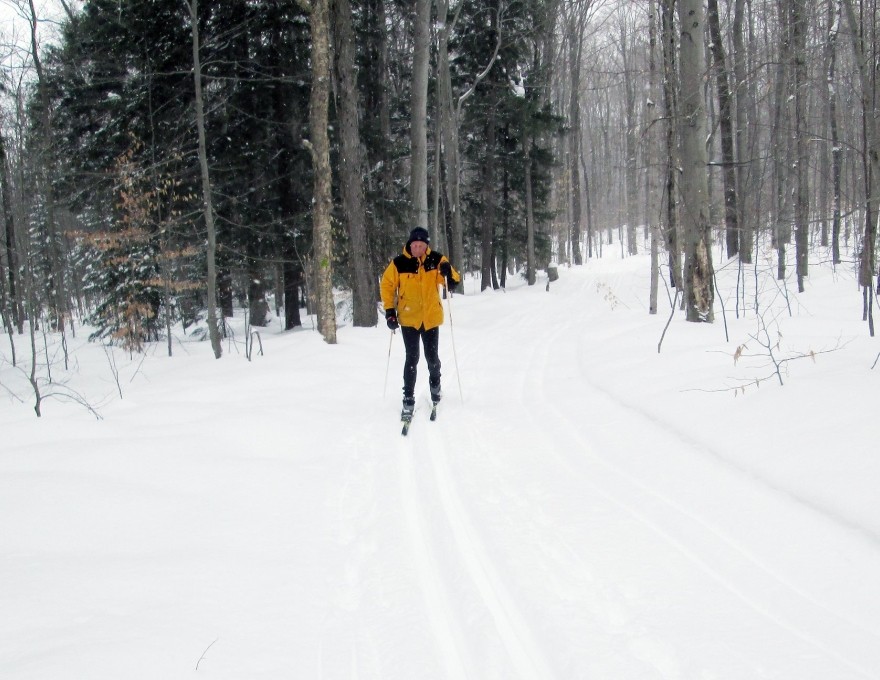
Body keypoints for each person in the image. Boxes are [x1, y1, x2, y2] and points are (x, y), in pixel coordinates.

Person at [381, 227, 461, 419]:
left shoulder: (436, 259)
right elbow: (387, 285)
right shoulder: (399, 263)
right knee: (412, 358)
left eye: (421, 245)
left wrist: (448, 272)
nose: (417, 248)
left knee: (432, 358)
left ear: (426, 246)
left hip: (430, 318)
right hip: (409, 319)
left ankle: (435, 386)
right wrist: (390, 312)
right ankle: (408, 398)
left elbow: (453, 282)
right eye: (415, 245)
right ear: (410, 244)